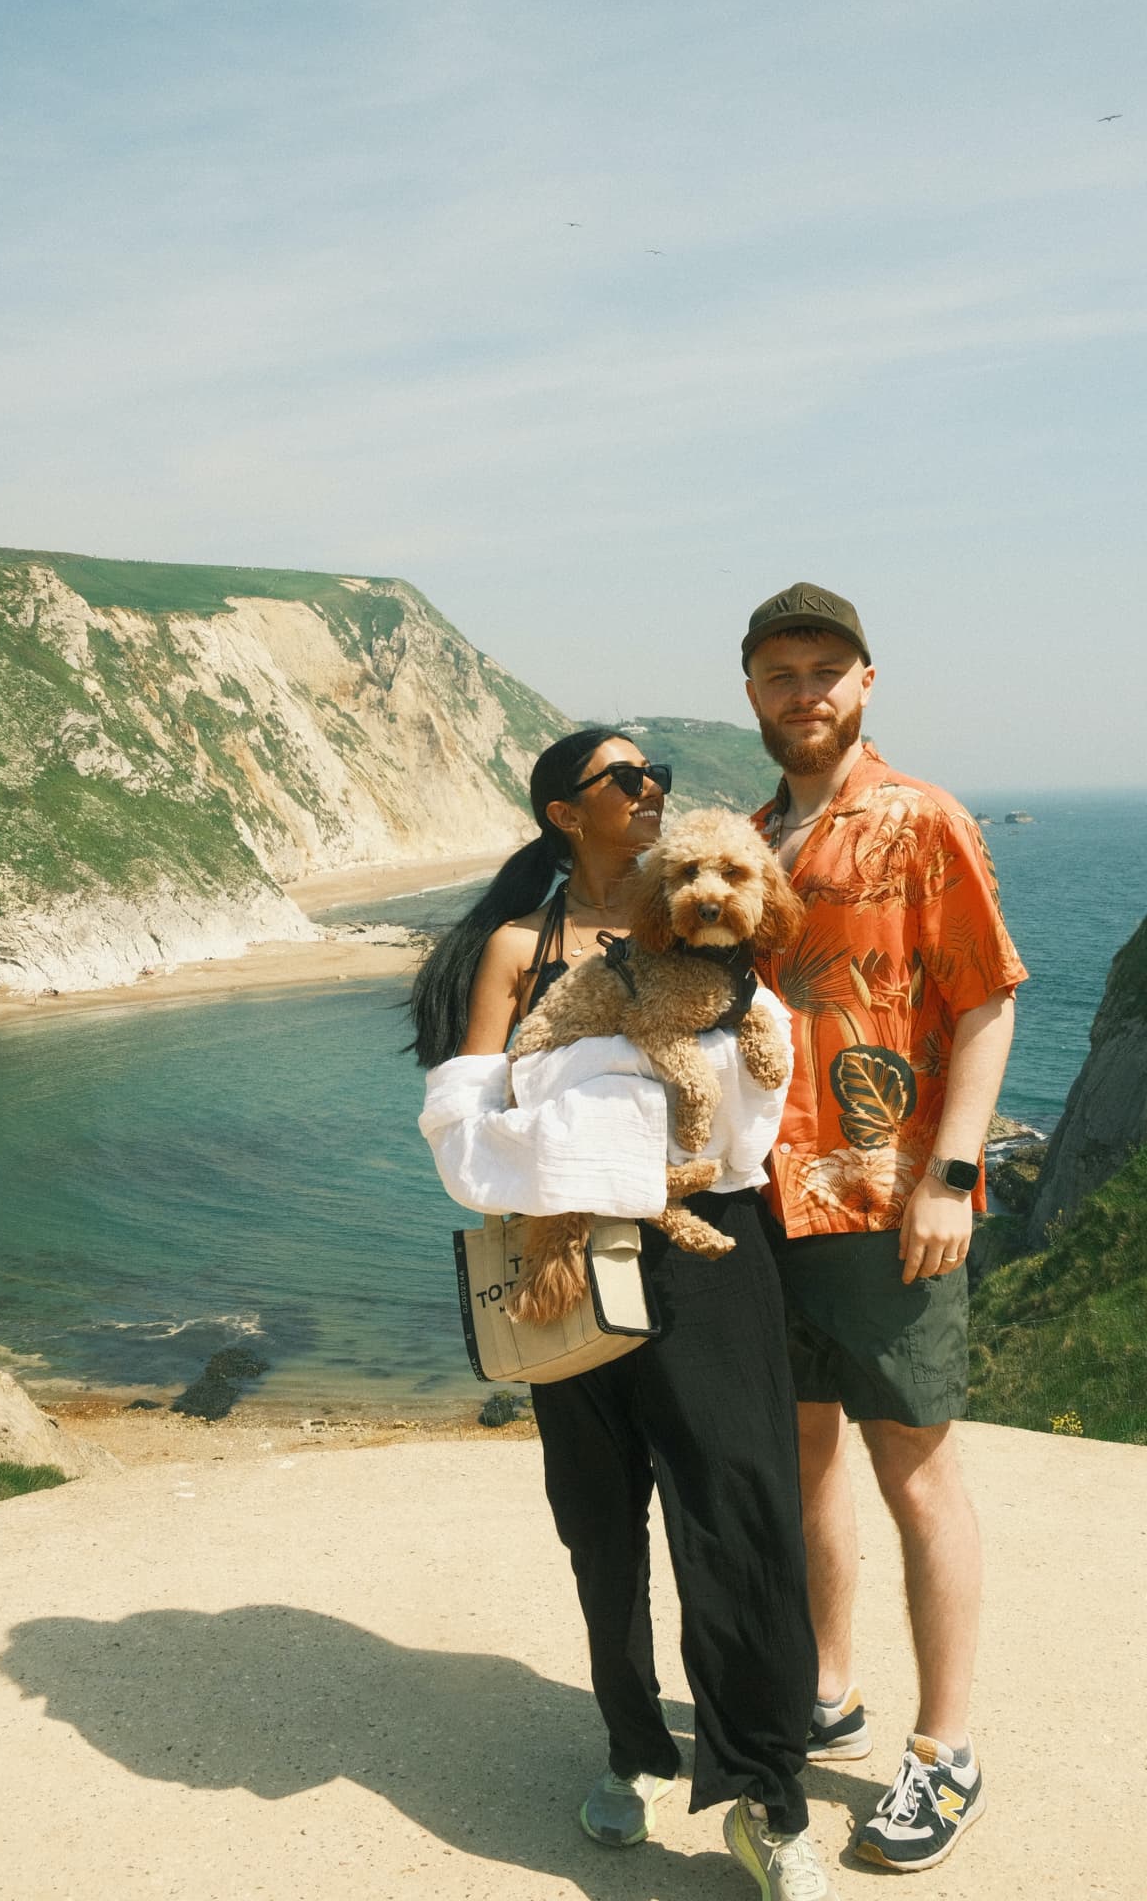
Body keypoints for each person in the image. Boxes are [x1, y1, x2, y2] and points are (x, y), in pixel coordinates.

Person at [411, 727, 839, 1901]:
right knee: (599, 1520)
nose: (652, 790)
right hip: (570, 1252)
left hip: (714, 1252)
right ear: (565, 811)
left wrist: (599, 1125)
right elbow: (459, 1127)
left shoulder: (726, 930)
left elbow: (752, 1117)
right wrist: (602, 1149)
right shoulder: (518, 946)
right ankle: (634, 1744)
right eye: (625, 778)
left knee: (743, 1513)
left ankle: (768, 1796)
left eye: (659, 775)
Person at [741, 582, 1027, 1875]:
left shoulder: (920, 818)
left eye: (825, 669)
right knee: (805, 1455)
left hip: (885, 1199)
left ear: (865, 681)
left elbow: (988, 998)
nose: (804, 691)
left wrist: (952, 1176)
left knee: (914, 1467)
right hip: (763, 1201)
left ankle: (946, 1750)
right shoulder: (751, 838)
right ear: (752, 691)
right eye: (780, 672)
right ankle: (828, 1689)